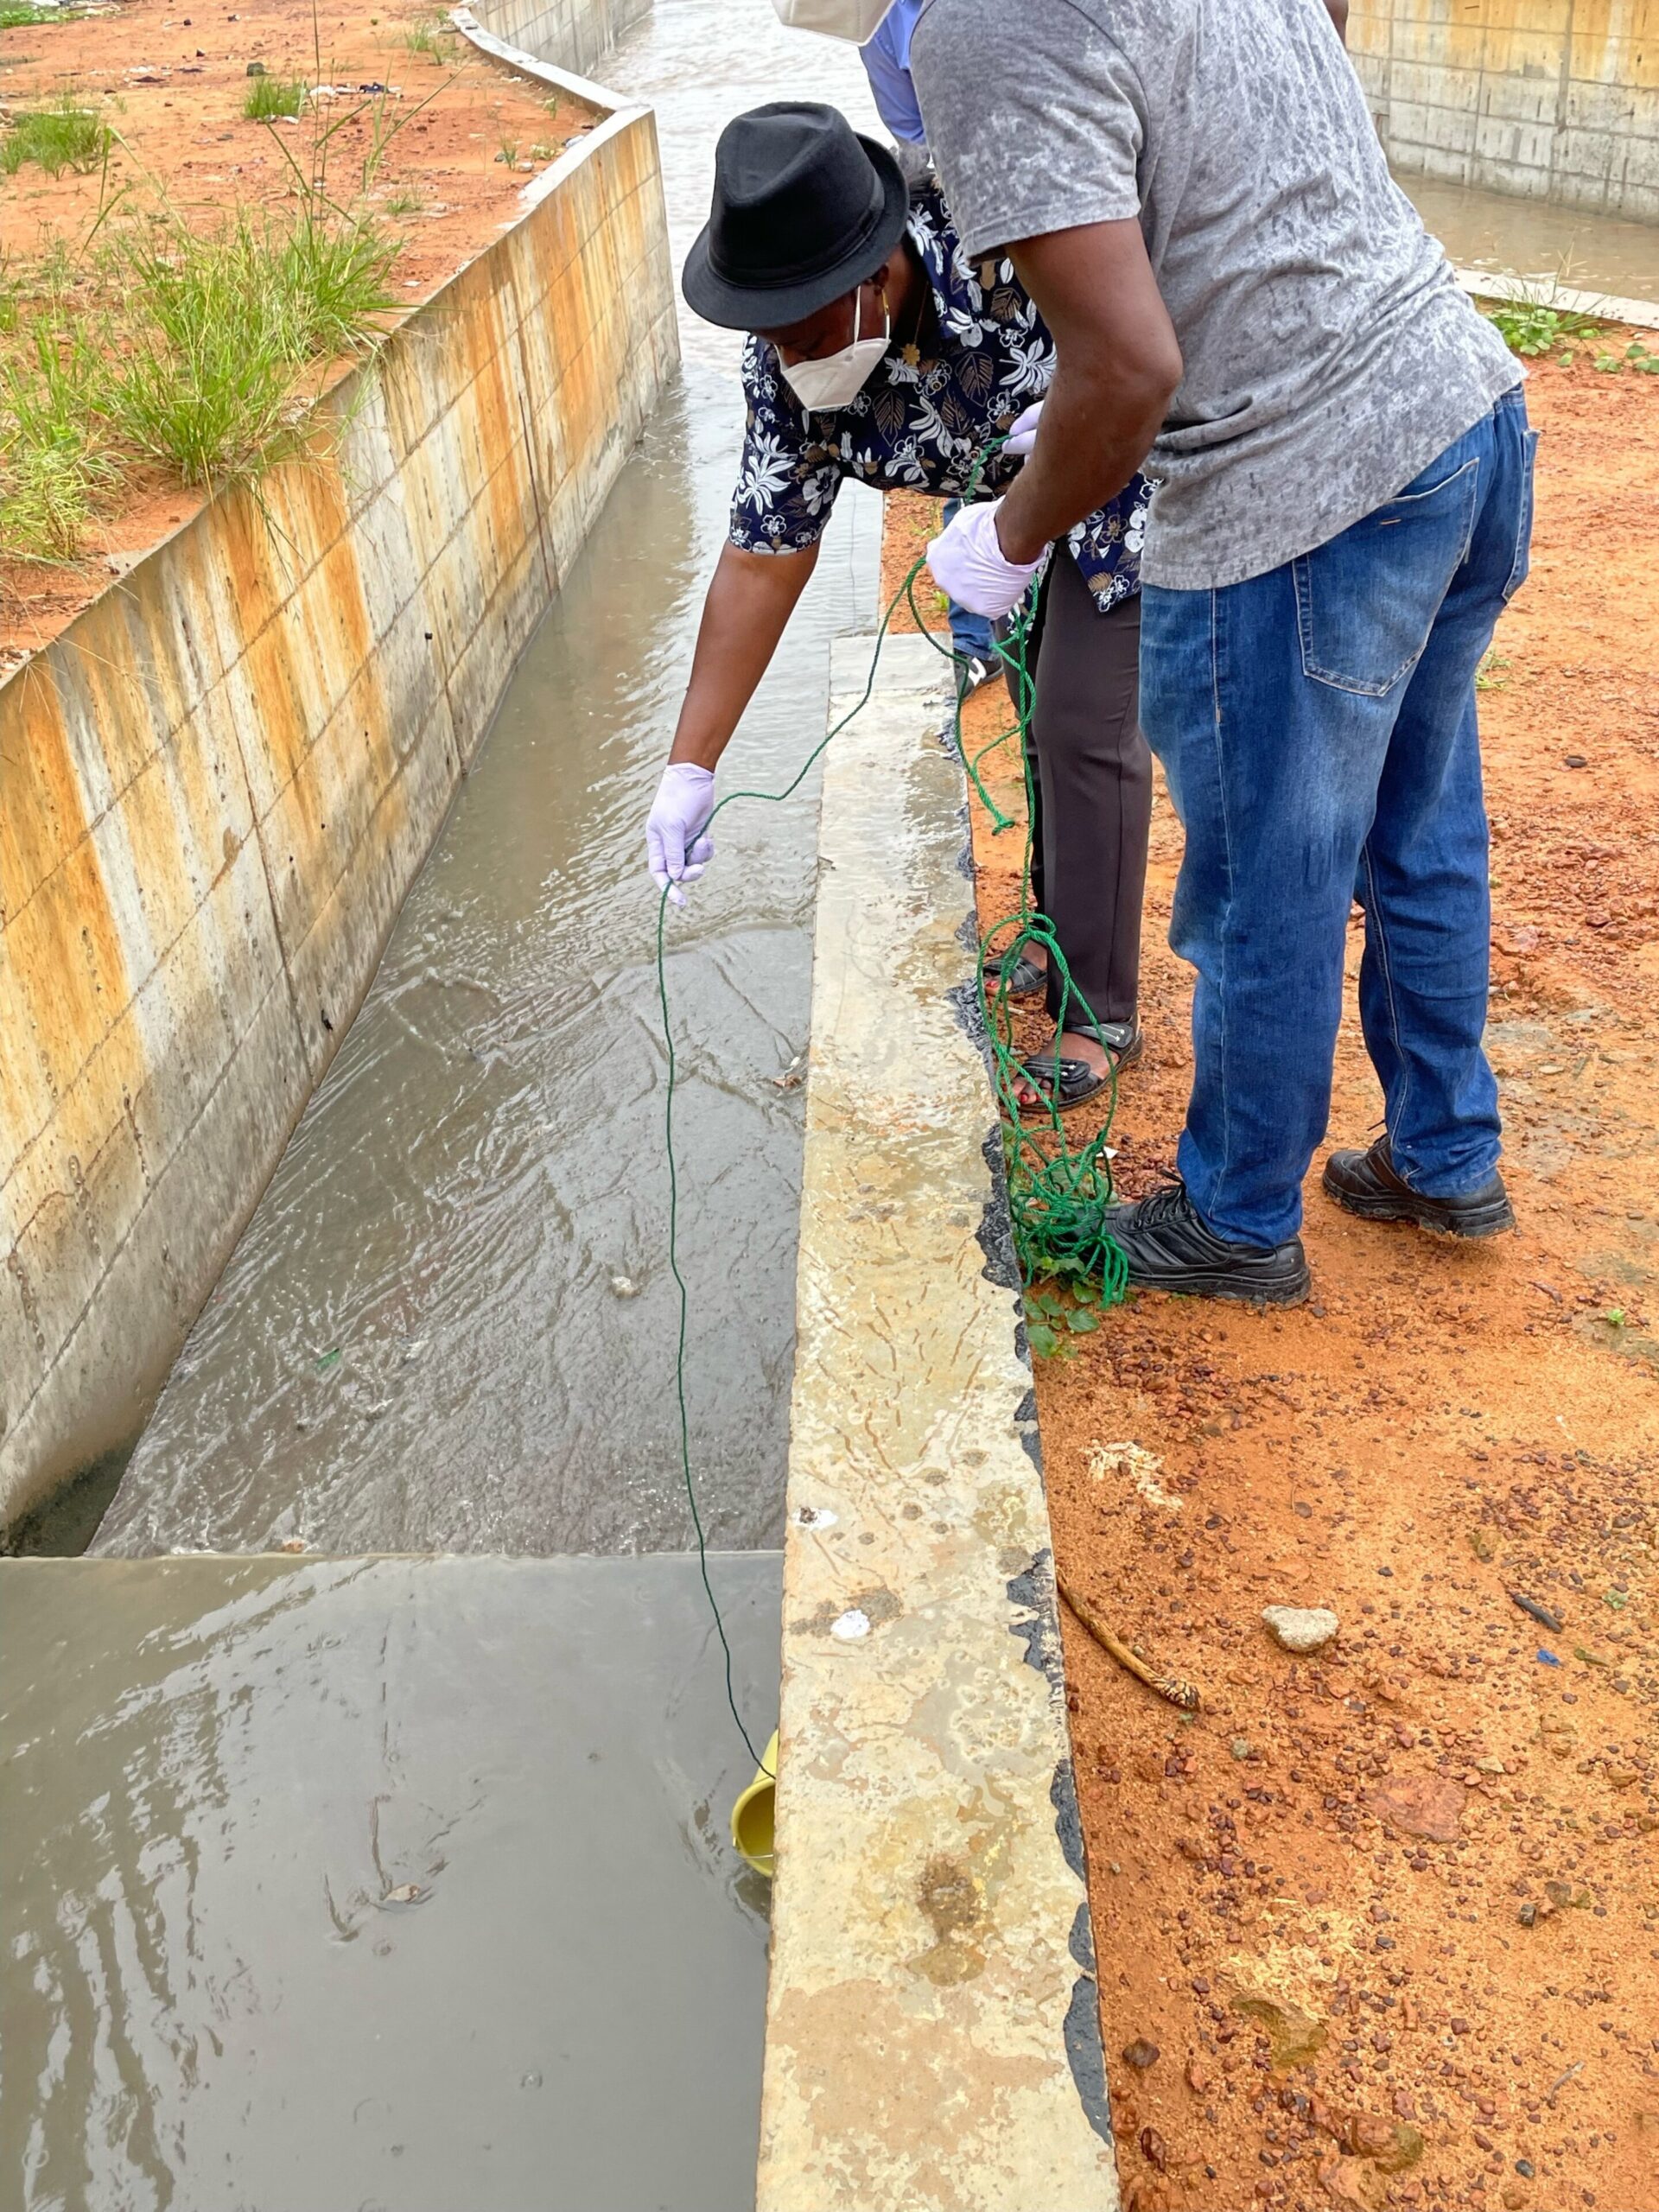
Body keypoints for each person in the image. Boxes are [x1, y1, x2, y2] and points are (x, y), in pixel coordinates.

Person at [913, 0, 1534, 1306]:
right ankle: (1443, 1152)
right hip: (1460, 410)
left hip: (1300, 486)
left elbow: (1130, 369)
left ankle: (1242, 1214)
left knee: (1266, 880)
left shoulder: (974, 30)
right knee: (1418, 830)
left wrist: (1014, 536)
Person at [645, 101, 1153, 1103]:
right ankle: (1060, 935)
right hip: (996, 521)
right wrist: (689, 763)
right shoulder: (784, 371)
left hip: (1113, 460)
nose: (792, 357)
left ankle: (1098, 1017)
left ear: (874, 275)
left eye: (806, 330)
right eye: (771, 337)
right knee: (1031, 707)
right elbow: (762, 556)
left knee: (1081, 720)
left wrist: (1079, 414)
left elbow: (1149, 314)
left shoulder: (1008, 234)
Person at [855, 0, 995, 694]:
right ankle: (978, 640)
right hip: (958, 206)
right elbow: (913, 137)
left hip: (1038, 201)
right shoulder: (880, 22)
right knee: (970, 451)